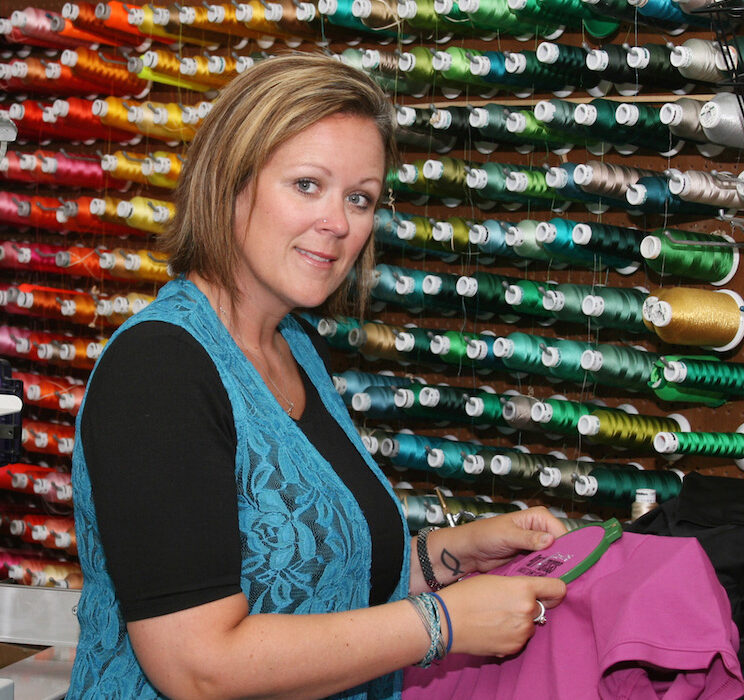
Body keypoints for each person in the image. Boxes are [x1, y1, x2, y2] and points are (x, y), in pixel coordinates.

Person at [67, 53, 568, 699]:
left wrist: (451, 556)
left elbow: (313, 584)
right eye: (307, 184)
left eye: (359, 198)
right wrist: (441, 624)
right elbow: (197, 666)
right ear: (231, 182)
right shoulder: (160, 371)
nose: (338, 223)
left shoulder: (293, 347)